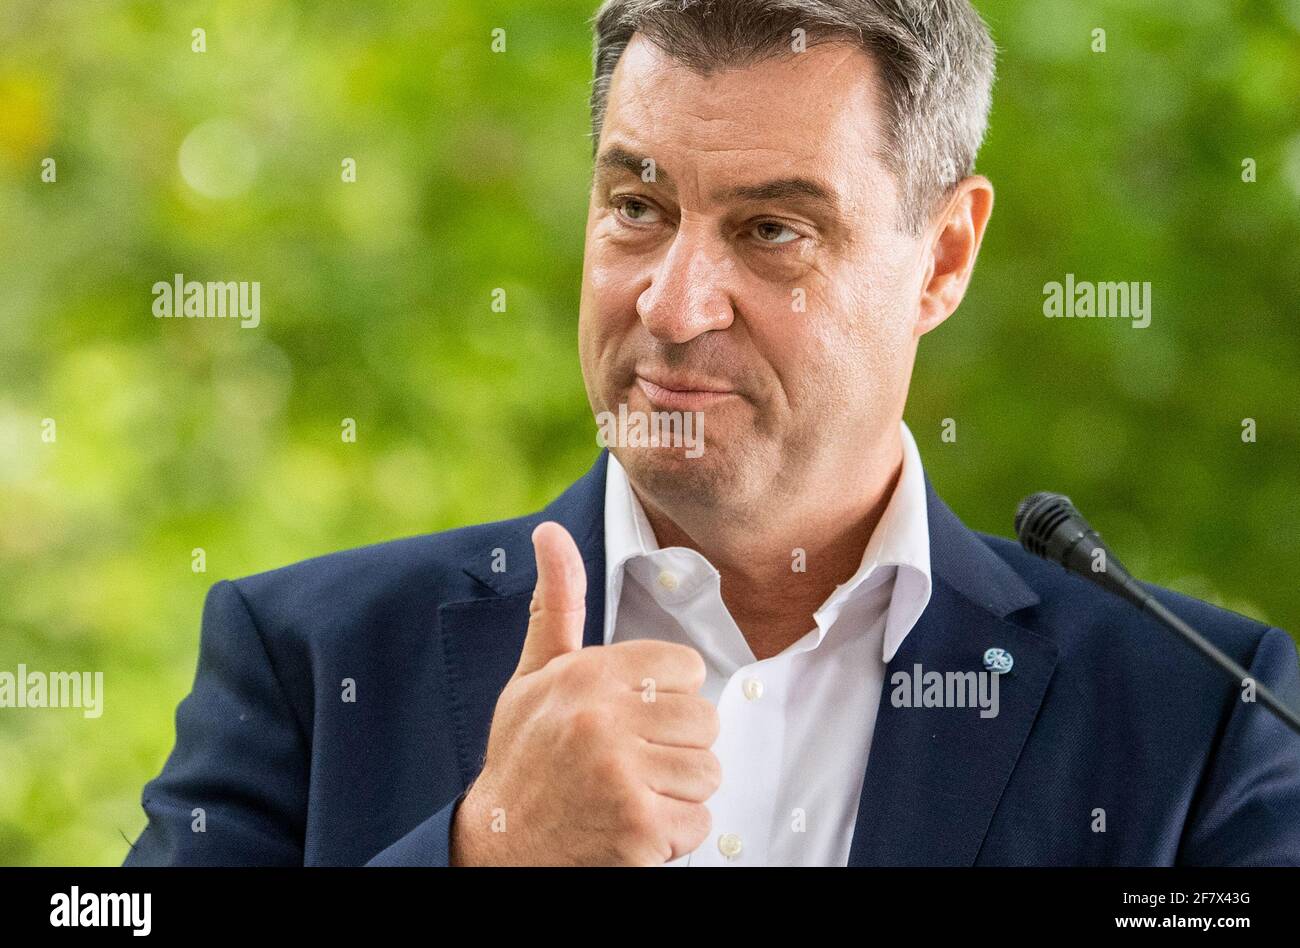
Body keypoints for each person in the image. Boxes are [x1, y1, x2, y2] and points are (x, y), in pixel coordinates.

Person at [125, 0, 1300, 866]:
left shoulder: (1204, 715)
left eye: (773, 229)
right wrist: (480, 851)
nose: (673, 306)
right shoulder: (306, 657)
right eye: (637, 207)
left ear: (942, 257)